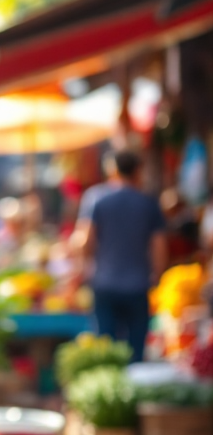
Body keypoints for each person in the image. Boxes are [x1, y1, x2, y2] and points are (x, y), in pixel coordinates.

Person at [72, 150, 166, 362]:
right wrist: (156, 275)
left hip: (104, 283)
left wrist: (84, 268)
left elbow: (85, 240)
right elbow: (159, 246)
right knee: (136, 352)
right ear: (137, 172)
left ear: (112, 170)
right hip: (138, 284)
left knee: (107, 352)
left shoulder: (96, 198)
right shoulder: (148, 203)